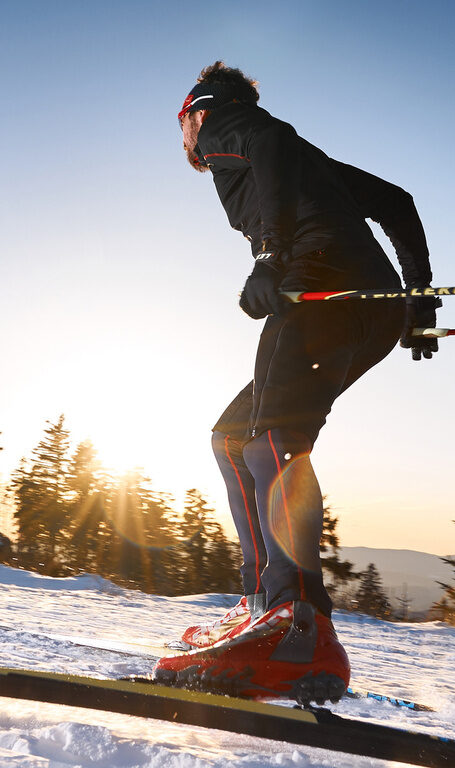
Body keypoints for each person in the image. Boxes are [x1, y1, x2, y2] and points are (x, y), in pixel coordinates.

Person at [153, 61, 439, 704]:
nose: (186, 142)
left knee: (267, 439)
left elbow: (271, 141)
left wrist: (269, 253)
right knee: (234, 437)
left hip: (320, 288)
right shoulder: (303, 159)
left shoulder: (222, 120)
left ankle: (295, 626)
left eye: (180, 127)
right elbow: (398, 203)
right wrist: (418, 304)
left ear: (192, 114)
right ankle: (266, 608)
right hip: (371, 307)